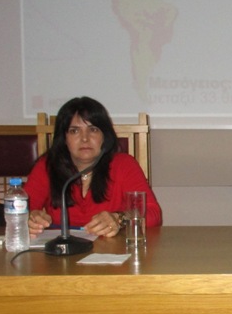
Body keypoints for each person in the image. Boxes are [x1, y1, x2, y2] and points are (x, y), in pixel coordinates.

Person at [25, 97, 162, 238]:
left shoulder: (123, 165)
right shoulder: (47, 166)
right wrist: (30, 219)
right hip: (62, 249)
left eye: (93, 130)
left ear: (104, 136)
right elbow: (21, 210)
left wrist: (119, 218)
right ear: (64, 138)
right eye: (74, 131)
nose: (85, 138)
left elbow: (153, 214)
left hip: (111, 249)